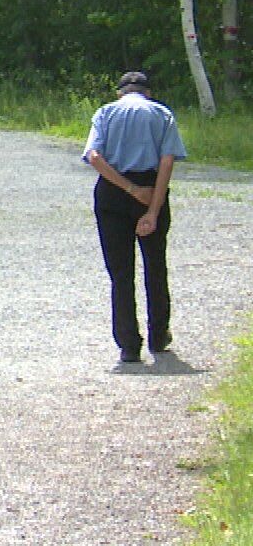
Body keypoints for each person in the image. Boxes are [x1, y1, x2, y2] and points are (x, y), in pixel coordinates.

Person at [82, 70, 187, 365]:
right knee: (155, 265)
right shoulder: (162, 114)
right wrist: (153, 207)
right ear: (147, 92)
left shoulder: (105, 113)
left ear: (120, 93)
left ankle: (129, 344)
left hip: (113, 192)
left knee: (120, 272)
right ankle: (158, 335)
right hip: (152, 187)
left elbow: (94, 157)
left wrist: (128, 188)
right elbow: (167, 161)